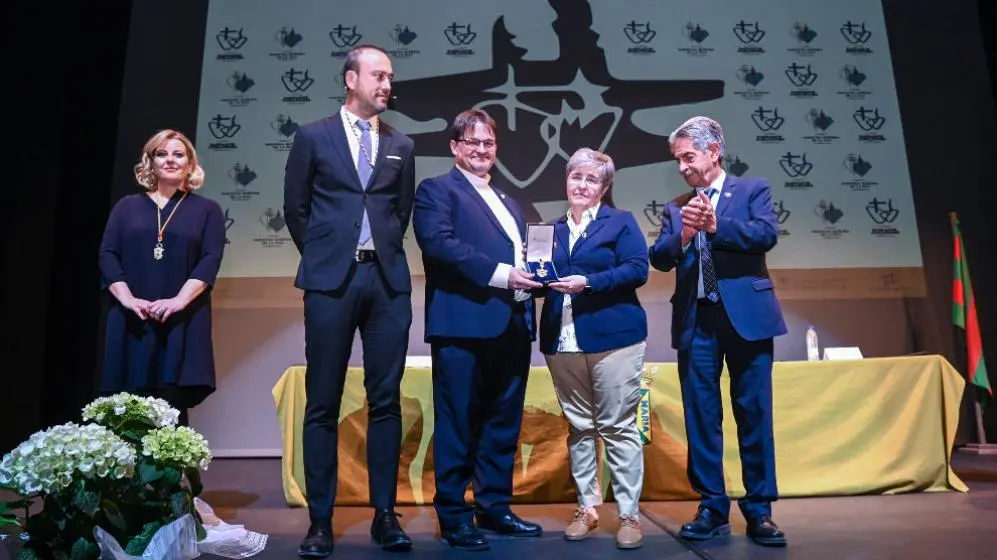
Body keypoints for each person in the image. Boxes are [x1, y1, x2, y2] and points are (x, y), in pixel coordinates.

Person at [282, 44, 416, 558]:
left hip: (386, 283)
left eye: (390, 77)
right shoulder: (313, 136)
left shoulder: (401, 143)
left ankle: (385, 514)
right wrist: (325, 255)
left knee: (385, 401)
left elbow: (399, 211)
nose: (386, 85)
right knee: (322, 401)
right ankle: (320, 520)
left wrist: (374, 252)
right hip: (331, 282)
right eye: (378, 75)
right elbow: (295, 207)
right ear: (350, 79)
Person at [649, 116, 788, 547]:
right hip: (698, 321)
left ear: (714, 152)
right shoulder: (677, 206)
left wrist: (715, 227)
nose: (682, 167)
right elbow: (659, 258)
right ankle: (712, 505)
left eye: (688, 157)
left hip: (746, 319)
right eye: (678, 160)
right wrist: (686, 234)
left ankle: (760, 509)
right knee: (701, 417)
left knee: (754, 412)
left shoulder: (752, 190)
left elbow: (765, 235)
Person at [412, 109, 544, 551]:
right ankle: (453, 515)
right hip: (463, 326)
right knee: (458, 420)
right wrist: (505, 275)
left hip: (512, 322)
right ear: (454, 147)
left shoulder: (508, 201)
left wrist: (537, 274)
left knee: (502, 421)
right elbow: (440, 244)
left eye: (488, 143)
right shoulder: (436, 190)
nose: (482, 150)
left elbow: (520, 256)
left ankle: (494, 507)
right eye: (473, 143)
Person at [537, 148, 649, 549]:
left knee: (618, 427)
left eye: (590, 180)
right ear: (566, 181)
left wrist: (590, 281)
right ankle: (587, 509)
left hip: (614, 337)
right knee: (580, 427)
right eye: (575, 177)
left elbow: (638, 269)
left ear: (603, 187)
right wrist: (530, 278)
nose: (581, 185)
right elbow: (540, 275)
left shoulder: (620, 223)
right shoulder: (549, 229)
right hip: (561, 338)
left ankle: (629, 515)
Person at [98, 129, 225, 427]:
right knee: (128, 407)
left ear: (191, 164)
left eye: (178, 154)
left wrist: (178, 301)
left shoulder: (207, 210)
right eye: (161, 154)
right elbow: (107, 254)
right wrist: (128, 300)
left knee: (173, 403)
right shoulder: (126, 207)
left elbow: (210, 259)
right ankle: (129, 472)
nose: (170, 160)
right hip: (133, 316)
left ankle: (172, 472)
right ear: (150, 163)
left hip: (181, 317)